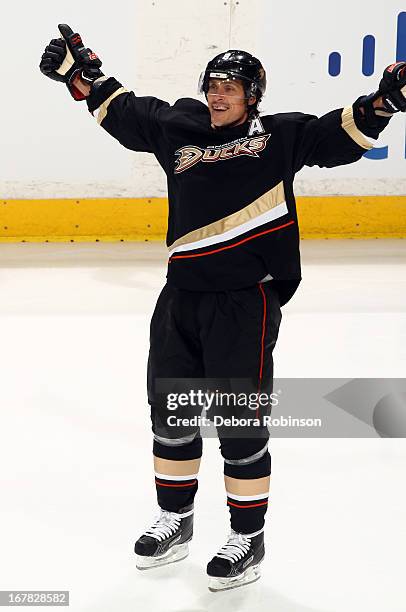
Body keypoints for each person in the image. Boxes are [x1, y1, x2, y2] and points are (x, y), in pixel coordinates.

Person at [40, 24, 405, 592]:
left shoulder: (281, 137)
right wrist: (78, 73)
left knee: (239, 421)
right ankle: (176, 521)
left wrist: (384, 100)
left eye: (230, 87)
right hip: (180, 298)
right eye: (212, 84)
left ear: (253, 94)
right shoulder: (179, 128)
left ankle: (247, 537)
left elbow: (342, 135)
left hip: (245, 303)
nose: (217, 94)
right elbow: (124, 110)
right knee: (172, 414)